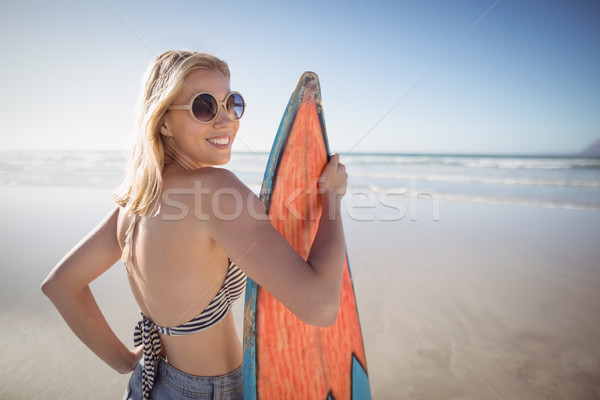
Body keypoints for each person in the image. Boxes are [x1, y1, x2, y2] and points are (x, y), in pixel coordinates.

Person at [41, 50, 347, 400]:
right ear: (164, 121)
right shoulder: (215, 190)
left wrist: (126, 361)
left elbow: (61, 285)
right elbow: (321, 307)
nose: (225, 120)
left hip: (148, 383)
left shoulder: (135, 201)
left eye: (232, 103)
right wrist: (332, 201)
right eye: (204, 106)